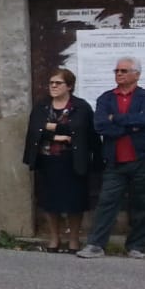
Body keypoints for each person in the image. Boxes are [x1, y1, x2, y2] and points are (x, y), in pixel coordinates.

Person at [78, 57, 145, 259]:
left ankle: (136, 246)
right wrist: (130, 127)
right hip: (115, 161)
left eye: (124, 70)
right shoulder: (106, 98)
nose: (119, 74)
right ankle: (96, 245)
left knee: (141, 203)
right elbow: (100, 125)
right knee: (106, 202)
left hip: (143, 159)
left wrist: (115, 119)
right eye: (117, 70)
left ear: (137, 74)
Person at [23, 67, 97, 252]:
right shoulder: (42, 106)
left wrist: (51, 129)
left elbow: (81, 131)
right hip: (48, 160)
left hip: (73, 161)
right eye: (51, 83)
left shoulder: (81, 107)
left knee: (74, 202)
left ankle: (73, 239)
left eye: (58, 83)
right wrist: (58, 136)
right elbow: (34, 131)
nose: (53, 86)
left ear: (69, 86)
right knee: (50, 202)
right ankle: (54, 238)